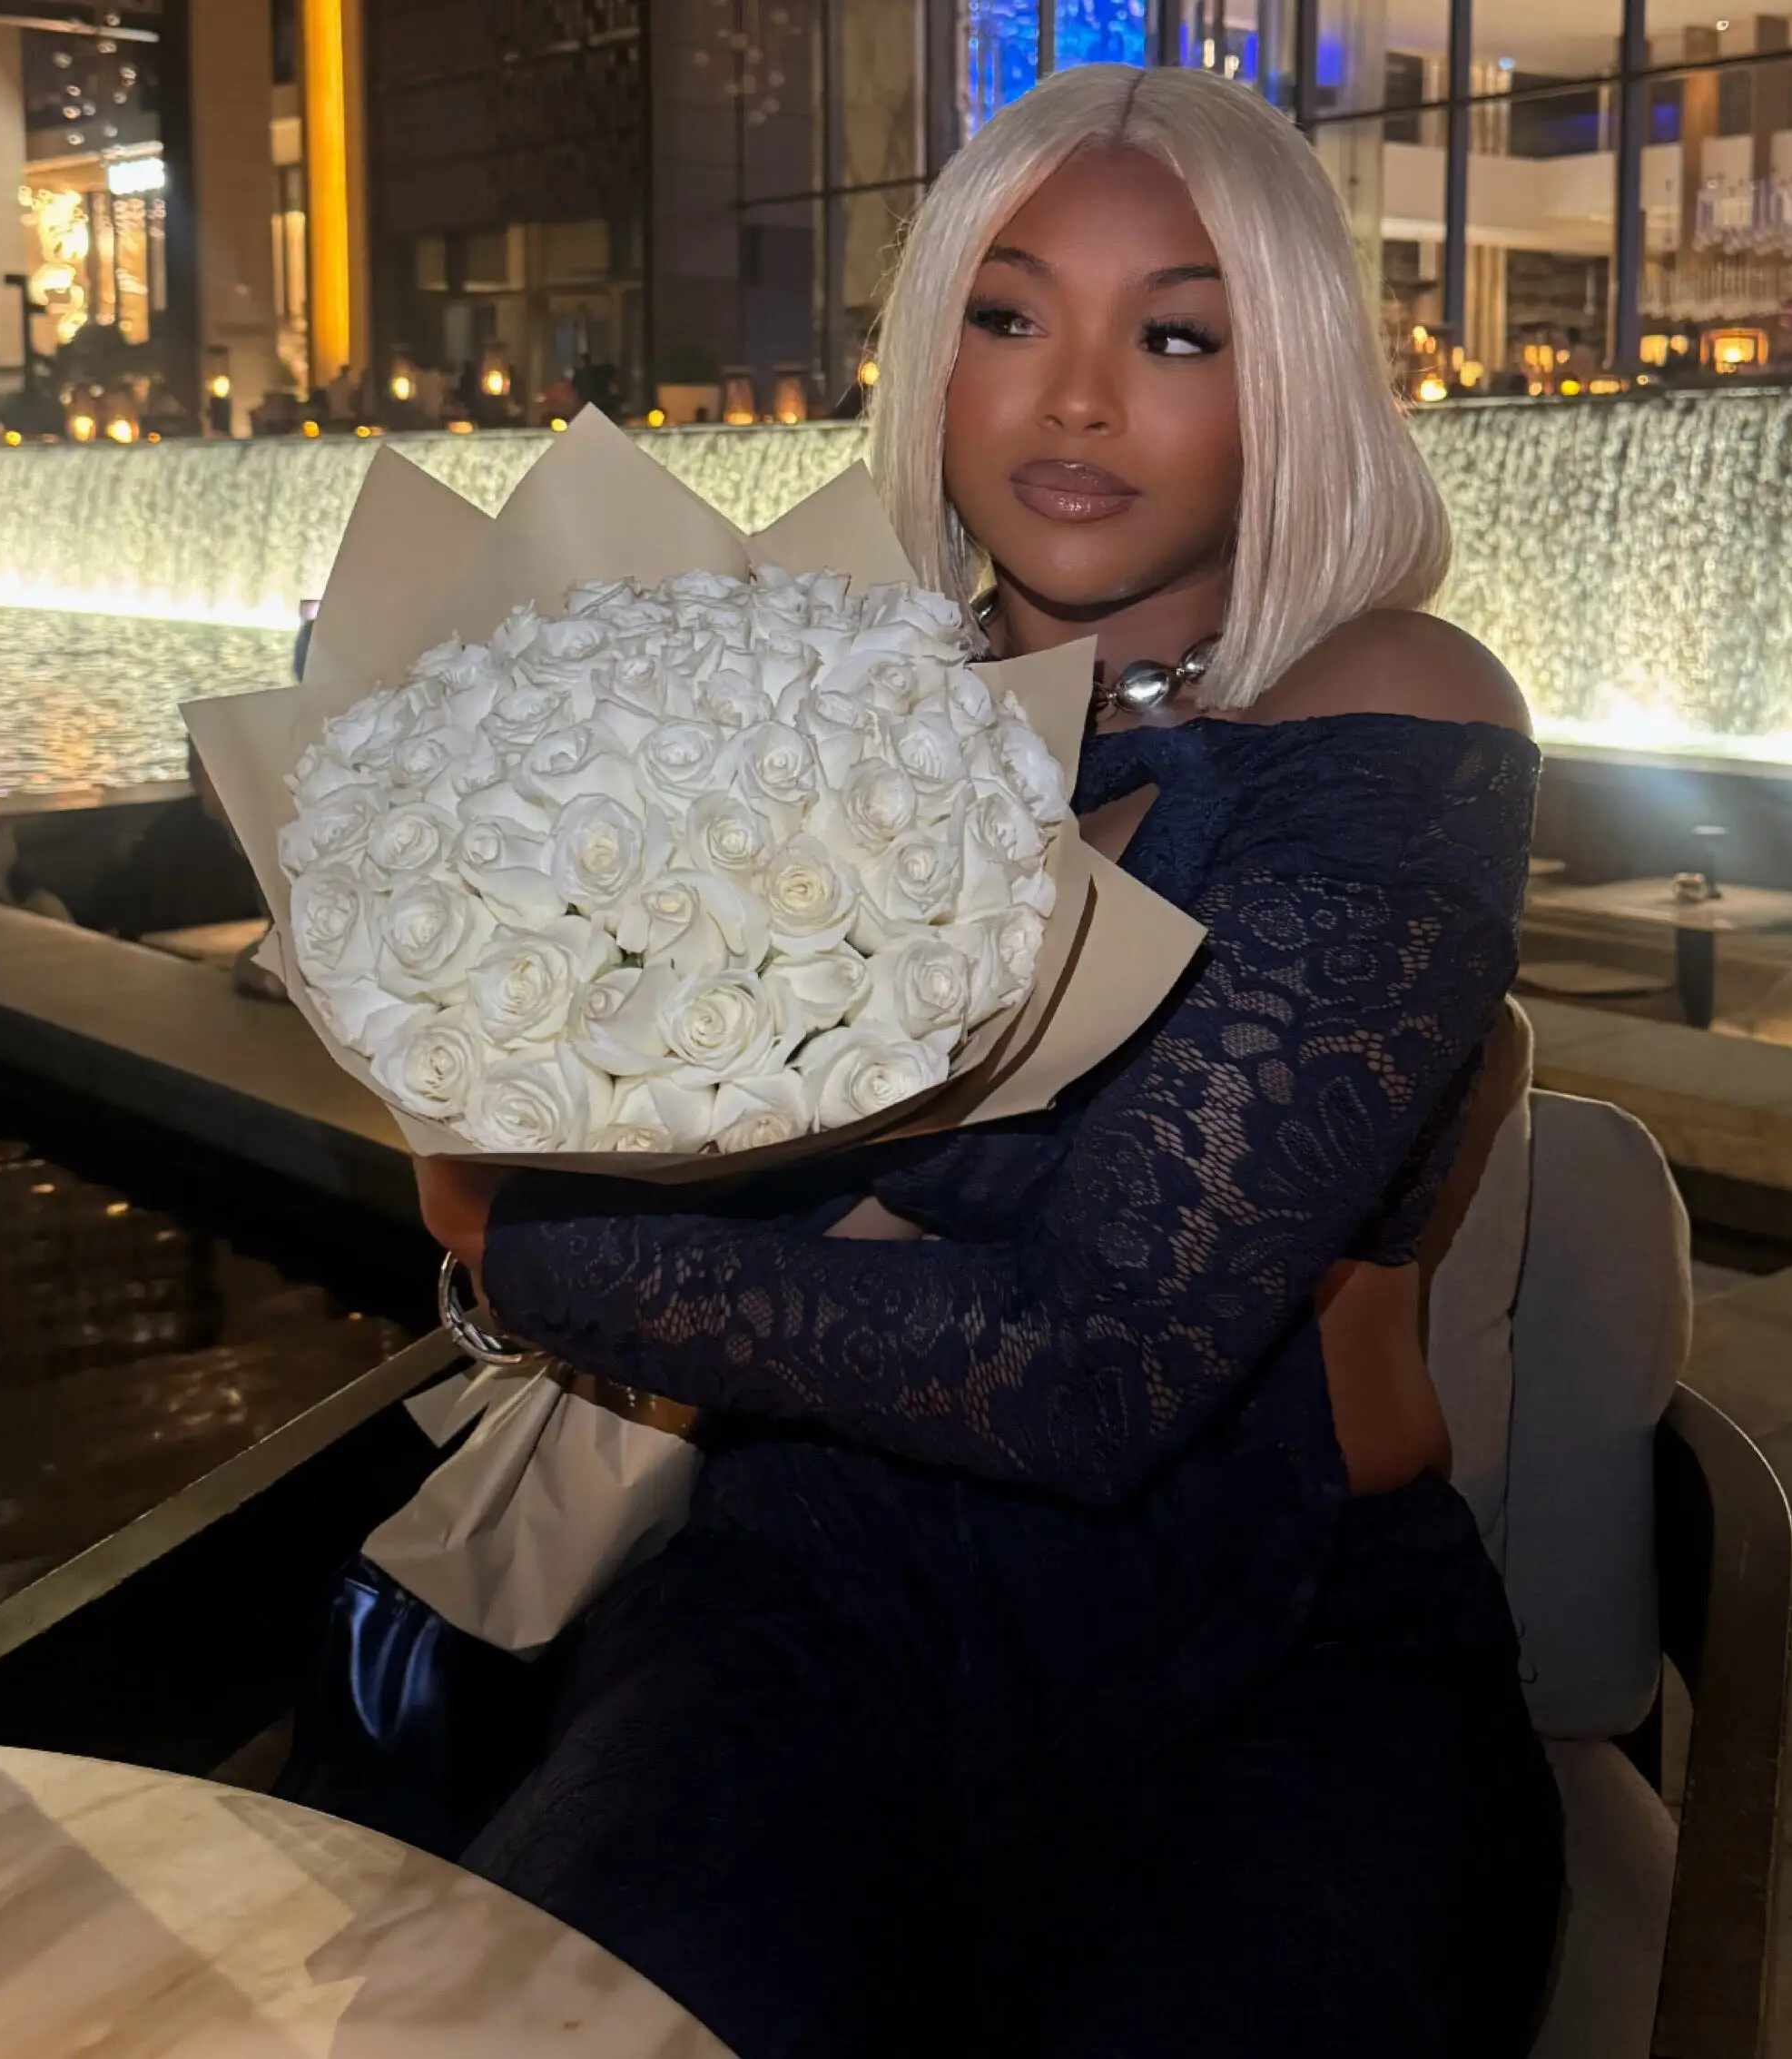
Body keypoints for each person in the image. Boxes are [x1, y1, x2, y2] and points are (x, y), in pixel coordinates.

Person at [358, 63, 1558, 2056]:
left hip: (1272, 1660)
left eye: (1177, 335)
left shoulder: (1395, 716)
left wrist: (519, 1251)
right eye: (1007, 318)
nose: (1074, 400)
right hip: (813, 1600)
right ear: (931, 359)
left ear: (1293, 393)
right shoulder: (813, 704)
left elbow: (1102, 1366)